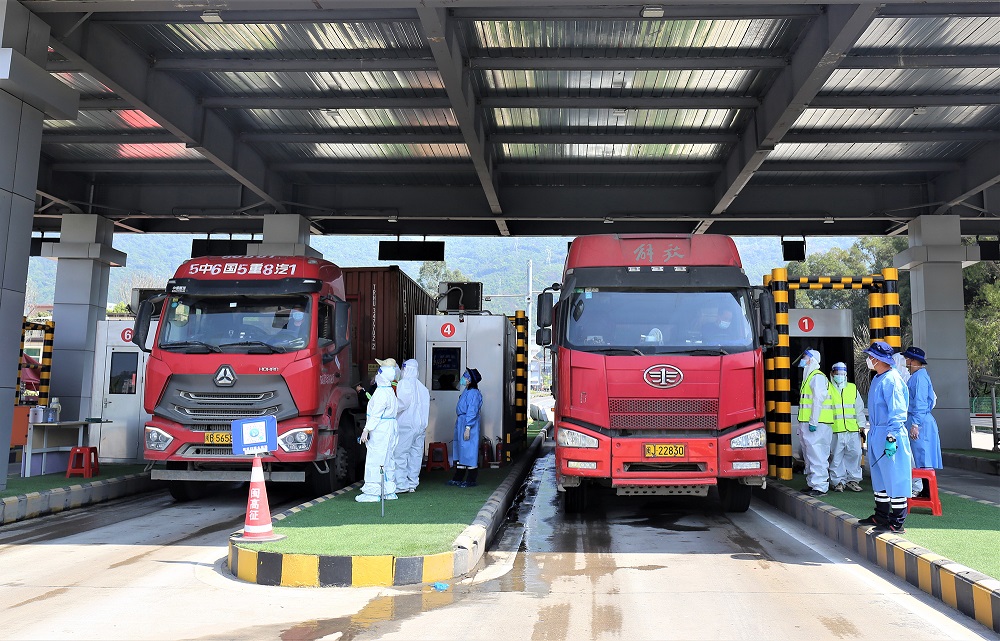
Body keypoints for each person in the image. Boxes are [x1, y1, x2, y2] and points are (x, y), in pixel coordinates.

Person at [858, 341, 912, 534]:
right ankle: (881, 515)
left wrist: (891, 436)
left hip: (890, 433)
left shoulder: (892, 380)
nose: (868, 359)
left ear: (878, 359)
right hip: (877, 432)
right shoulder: (878, 379)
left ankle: (897, 521)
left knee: (894, 476)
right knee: (880, 476)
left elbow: (897, 411)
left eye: (870, 356)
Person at [356, 358, 399, 503]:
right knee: (388, 460)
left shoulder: (381, 393)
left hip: (380, 430)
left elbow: (376, 414)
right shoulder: (390, 391)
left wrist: (367, 429)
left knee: (375, 460)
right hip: (390, 429)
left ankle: (372, 493)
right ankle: (388, 491)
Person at [903, 346, 942, 498]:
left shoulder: (919, 378)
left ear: (913, 360)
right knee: (920, 456)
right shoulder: (918, 376)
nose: (905, 361)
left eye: (907, 358)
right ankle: (925, 491)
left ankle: (926, 491)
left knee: (922, 457)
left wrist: (915, 424)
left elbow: (920, 402)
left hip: (920, 422)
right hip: (920, 420)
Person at [797, 349, 834, 497]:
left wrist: (813, 421)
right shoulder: (810, 377)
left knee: (817, 455)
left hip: (817, 424)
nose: (803, 359)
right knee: (810, 455)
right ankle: (813, 483)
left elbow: (818, 400)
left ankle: (820, 486)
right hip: (810, 424)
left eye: (805, 357)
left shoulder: (817, 377)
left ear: (812, 360)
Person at [394, 359, 430, 493]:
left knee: (400, 454)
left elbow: (401, 404)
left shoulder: (404, 384)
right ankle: (412, 483)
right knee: (416, 455)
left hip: (406, 425)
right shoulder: (423, 388)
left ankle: (401, 483)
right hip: (420, 426)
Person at [828, 362, 865, 493]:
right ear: (832, 373)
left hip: (852, 429)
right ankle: (838, 482)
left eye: (843, 373)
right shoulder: (828, 388)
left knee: (855, 454)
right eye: (837, 373)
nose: (840, 376)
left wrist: (861, 425)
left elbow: (859, 408)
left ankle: (853, 480)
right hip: (835, 429)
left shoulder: (852, 388)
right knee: (836, 457)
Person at [449, 367, 484, 488]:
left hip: (468, 423)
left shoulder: (474, 393)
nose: (463, 378)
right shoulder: (467, 391)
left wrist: (468, 427)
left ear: (470, 380)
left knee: (469, 450)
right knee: (461, 449)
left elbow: (472, 411)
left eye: (466, 376)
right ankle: (458, 477)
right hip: (461, 422)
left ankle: (471, 479)